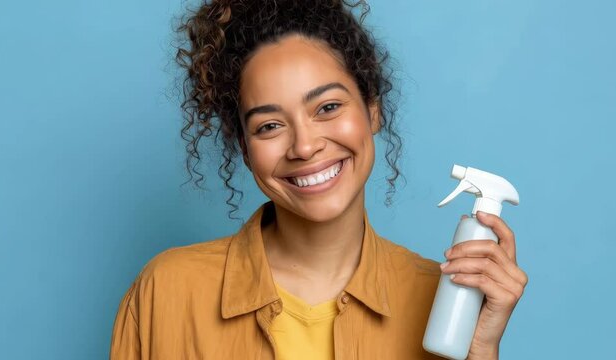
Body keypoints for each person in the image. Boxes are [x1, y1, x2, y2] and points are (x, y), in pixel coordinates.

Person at [110, 0, 528, 359]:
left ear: (373, 110)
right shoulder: (166, 292)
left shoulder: (443, 305)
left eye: (327, 107)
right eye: (269, 126)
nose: (305, 147)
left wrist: (480, 352)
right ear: (244, 145)